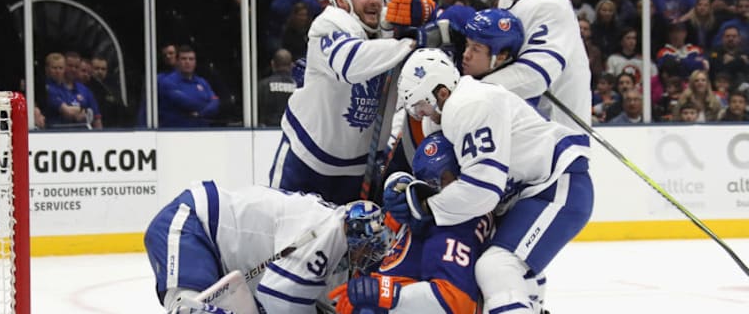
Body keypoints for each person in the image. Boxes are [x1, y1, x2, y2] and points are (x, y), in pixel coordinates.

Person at [389, 48, 593, 314]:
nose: (423, 115)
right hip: (532, 193)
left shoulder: (470, 105)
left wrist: (426, 207)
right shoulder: (452, 111)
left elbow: (483, 190)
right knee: (513, 271)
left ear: (441, 93)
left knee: (496, 266)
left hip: (557, 184)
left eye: (422, 106)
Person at [269, 0, 431, 205]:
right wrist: (411, 42)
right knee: (285, 236)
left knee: (352, 243)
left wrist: (430, 19)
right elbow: (352, 64)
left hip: (358, 168)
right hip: (305, 160)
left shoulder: (390, 30)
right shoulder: (329, 23)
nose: (376, 1)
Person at [144, 181, 391, 313]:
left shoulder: (330, 235)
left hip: (215, 246)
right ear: (356, 235)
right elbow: (280, 300)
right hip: (191, 224)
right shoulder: (328, 230)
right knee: (191, 309)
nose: (365, 258)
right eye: (366, 250)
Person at [329, 132, 493, 314]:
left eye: (443, 179)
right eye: (429, 182)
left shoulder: (456, 227)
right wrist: (397, 186)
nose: (436, 188)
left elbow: (457, 303)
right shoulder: (437, 210)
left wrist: (386, 293)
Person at [492, 0, 592, 131]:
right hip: (524, 123)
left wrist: (474, 88)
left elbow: (535, 77)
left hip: (558, 135)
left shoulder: (551, 5)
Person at [158, 45, 220, 127]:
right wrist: (207, 106)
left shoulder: (202, 82)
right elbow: (189, 103)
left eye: (191, 59)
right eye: (183, 59)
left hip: (202, 133)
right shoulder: (168, 82)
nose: (187, 62)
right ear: (177, 61)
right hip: (176, 134)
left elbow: (215, 102)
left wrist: (200, 114)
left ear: (195, 62)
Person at [43, 52, 101, 129]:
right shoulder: (51, 88)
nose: (73, 69)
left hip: (81, 135)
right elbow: (68, 112)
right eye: (70, 66)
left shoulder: (85, 90)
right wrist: (82, 110)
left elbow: (97, 119)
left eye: (76, 67)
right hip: (56, 134)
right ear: (64, 66)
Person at [257, 49, 297, 127]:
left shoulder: (263, 85)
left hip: (265, 131)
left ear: (272, 64)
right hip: (292, 131)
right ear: (292, 65)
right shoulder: (299, 87)